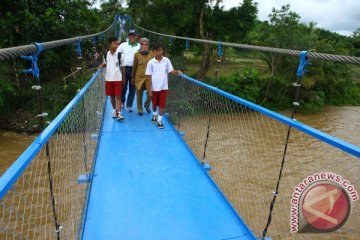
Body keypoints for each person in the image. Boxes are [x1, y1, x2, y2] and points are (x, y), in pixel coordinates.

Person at [145, 43, 182, 129]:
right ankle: (154, 114)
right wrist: (150, 87)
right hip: (154, 87)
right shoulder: (151, 62)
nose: (158, 52)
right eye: (156, 50)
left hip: (164, 87)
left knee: (162, 104)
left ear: (162, 51)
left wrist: (177, 71)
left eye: (160, 50)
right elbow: (148, 76)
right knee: (154, 103)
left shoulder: (166, 60)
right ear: (153, 51)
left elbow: (171, 71)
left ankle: (160, 120)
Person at [99, 37, 124, 120]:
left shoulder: (120, 55)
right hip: (109, 79)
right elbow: (106, 63)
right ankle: (115, 110)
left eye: (117, 43)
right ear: (109, 44)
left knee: (118, 96)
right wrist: (102, 65)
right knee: (112, 96)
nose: (117, 45)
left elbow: (123, 67)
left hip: (118, 78)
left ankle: (119, 113)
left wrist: (123, 79)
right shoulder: (106, 54)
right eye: (115, 43)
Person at [117, 29, 140, 112]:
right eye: (131, 35)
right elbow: (116, 53)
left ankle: (129, 105)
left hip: (135, 69)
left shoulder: (139, 46)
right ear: (128, 36)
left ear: (136, 36)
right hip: (125, 68)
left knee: (132, 88)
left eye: (134, 35)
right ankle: (122, 102)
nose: (132, 37)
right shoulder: (123, 45)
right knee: (123, 86)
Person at [132, 38, 154, 116]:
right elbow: (135, 67)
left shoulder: (152, 54)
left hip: (149, 78)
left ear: (148, 45)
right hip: (139, 78)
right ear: (140, 45)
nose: (144, 46)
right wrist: (133, 77)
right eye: (142, 44)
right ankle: (140, 108)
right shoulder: (136, 54)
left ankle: (147, 105)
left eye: (146, 44)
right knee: (139, 93)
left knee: (150, 93)